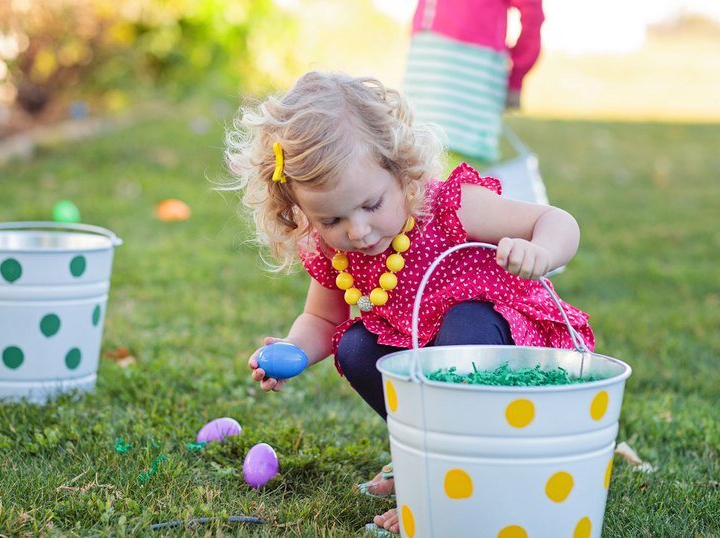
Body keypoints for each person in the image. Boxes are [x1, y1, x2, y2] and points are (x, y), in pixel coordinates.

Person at [224, 71, 593, 535]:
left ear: (401, 172)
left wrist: (541, 252)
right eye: (332, 218)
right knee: (356, 347)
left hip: (499, 354)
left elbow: (556, 220)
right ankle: (426, 456)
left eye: (371, 204)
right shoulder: (335, 249)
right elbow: (322, 318)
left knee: (464, 328)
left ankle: (453, 482)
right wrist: (296, 350)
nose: (357, 231)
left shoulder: (449, 207)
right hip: (425, 358)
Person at [404, 0, 545, 164]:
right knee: (414, 153)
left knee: (458, 166)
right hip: (426, 50)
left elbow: (532, 13)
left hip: (470, 64)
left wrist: (517, 75)